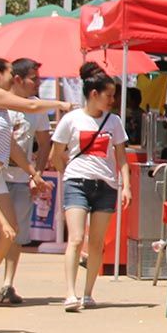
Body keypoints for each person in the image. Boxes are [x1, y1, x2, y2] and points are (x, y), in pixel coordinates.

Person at [0, 57, 67, 305]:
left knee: (10, 231)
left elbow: (11, 146)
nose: (12, 78)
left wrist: (33, 173)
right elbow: (30, 108)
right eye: (9, 73)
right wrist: (61, 103)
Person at [50, 70, 132, 311]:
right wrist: (66, 172)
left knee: (97, 242)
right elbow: (57, 152)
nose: (112, 100)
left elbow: (121, 156)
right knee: (76, 238)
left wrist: (126, 185)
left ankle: (88, 293)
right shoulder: (71, 119)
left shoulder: (114, 121)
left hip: (106, 184)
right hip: (77, 182)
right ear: (93, 94)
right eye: (109, 95)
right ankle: (70, 293)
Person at [0, 58, 53, 305]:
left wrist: (35, 175)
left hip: (21, 179)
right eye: (33, 78)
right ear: (17, 79)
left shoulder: (36, 107)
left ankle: (7, 283)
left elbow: (44, 143)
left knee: (16, 234)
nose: (37, 83)